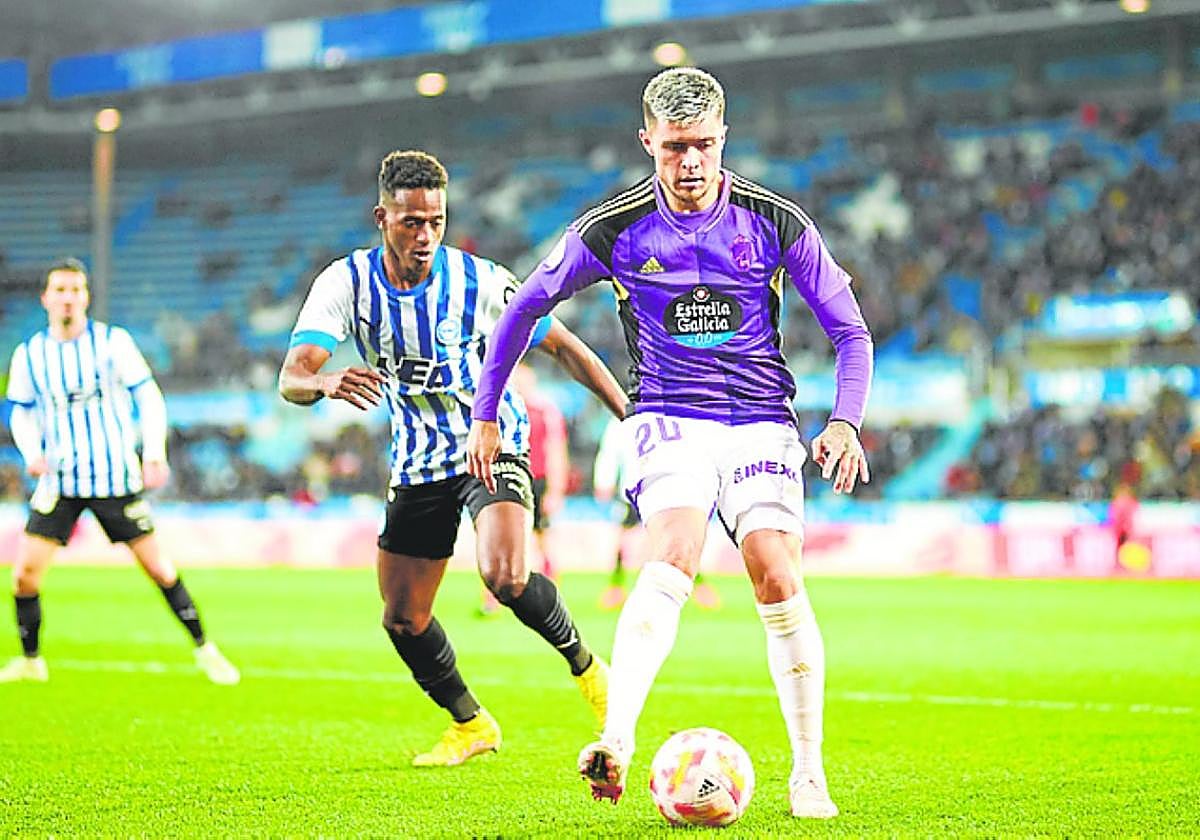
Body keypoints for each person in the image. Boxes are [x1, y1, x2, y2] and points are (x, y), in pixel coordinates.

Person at [466, 68, 873, 818]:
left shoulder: (775, 221)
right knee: (674, 552)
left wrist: (845, 419)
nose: (691, 163)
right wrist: (487, 413)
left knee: (775, 572)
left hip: (759, 418)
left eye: (705, 146)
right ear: (646, 141)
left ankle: (808, 773)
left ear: (725, 139)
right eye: (675, 148)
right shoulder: (612, 228)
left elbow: (850, 329)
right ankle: (615, 742)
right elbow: (524, 306)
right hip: (667, 415)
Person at [278, 150, 628, 767]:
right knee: (403, 620)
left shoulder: (480, 281)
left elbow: (564, 347)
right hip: (416, 461)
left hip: (489, 441)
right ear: (381, 216)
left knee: (506, 575)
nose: (424, 236)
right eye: (411, 222)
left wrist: (629, 415)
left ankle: (589, 669)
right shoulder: (345, 284)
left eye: (435, 222)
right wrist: (326, 382)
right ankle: (470, 724)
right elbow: (292, 377)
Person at [1, 258, 240, 685]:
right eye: (60, 290)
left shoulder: (113, 343)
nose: (68, 297)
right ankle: (32, 660)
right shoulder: (30, 354)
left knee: (159, 569)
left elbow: (148, 397)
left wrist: (153, 451)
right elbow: (20, 411)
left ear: (86, 297)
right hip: (59, 479)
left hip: (113, 478)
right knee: (24, 575)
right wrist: (31, 451)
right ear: (46, 298)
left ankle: (206, 649)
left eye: (76, 290)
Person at [591, 415, 722, 611]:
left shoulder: (665, 414)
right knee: (626, 539)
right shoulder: (621, 419)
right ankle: (616, 588)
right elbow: (610, 453)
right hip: (634, 488)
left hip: (659, 487)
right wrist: (604, 481)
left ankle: (698, 586)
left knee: (676, 538)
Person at [479, 362, 568, 616]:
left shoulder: (545, 411)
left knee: (542, 540)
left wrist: (556, 489)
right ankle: (492, 596)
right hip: (510, 475)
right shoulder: (500, 410)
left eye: (525, 380)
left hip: (538, 480)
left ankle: (552, 595)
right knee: (499, 539)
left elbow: (555, 450)